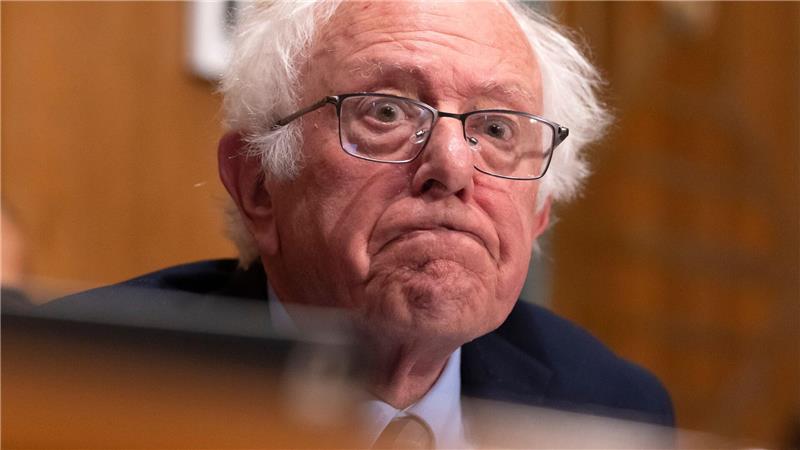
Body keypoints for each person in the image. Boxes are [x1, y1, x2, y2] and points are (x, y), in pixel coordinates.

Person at [41, 1, 673, 447]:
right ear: (260, 185)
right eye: (386, 112)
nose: (452, 165)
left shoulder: (612, 411)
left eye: (497, 129)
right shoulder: (79, 390)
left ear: (539, 212)